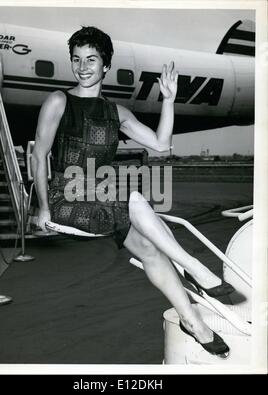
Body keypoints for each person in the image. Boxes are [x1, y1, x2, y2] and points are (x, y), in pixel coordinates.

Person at [32, 26, 234, 357]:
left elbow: (161, 144)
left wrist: (169, 100)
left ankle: (193, 322)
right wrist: (43, 208)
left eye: (91, 60)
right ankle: (196, 269)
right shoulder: (58, 101)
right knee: (134, 197)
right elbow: (40, 155)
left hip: (101, 199)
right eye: (76, 60)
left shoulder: (117, 113)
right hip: (65, 199)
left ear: (106, 65)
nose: (83, 67)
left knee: (150, 250)